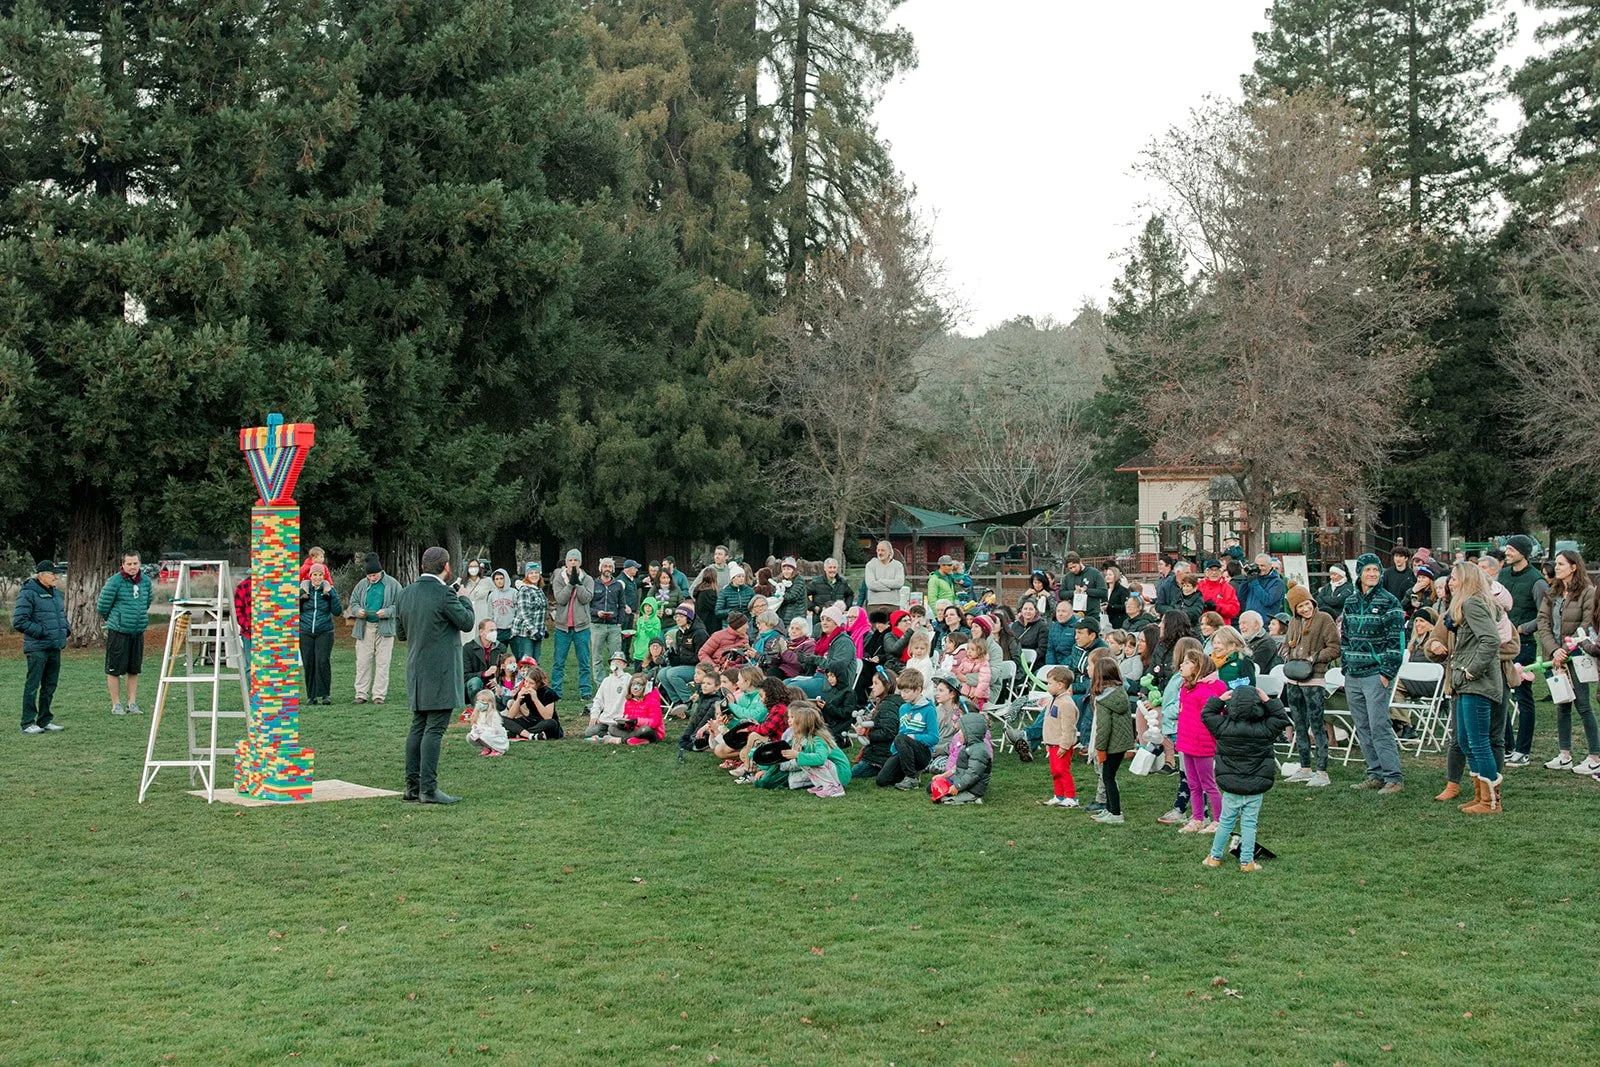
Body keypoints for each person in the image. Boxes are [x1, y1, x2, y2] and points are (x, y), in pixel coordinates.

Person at [395, 547, 476, 803]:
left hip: (416, 669)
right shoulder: (445, 594)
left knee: (418, 727)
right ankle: (428, 789)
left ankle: (412, 786)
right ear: (446, 566)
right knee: (434, 729)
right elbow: (467, 622)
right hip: (440, 671)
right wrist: (464, 598)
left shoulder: (405, 593)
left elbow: (401, 633)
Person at [1436, 562, 1509, 813]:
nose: (1450, 583)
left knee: (1478, 742)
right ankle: (1481, 795)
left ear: (1467, 580)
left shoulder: (1472, 604)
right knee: (1466, 741)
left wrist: (1472, 669)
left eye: (1454, 578)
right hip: (1465, 683)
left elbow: (1490, 640)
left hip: (1477, 682)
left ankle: (1491, 802)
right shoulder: (1463, 605)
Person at [1200, 684, 1291, 871]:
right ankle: (1247, 861)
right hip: (1255, 785)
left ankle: (1214, 857)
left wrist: (1219, 700)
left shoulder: (1223, 726)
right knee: (1249, 824)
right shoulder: (1266, 728)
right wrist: (1269, 701)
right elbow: (1282, 718)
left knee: (1226, 822)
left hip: (1231, 785)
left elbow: (1207, 715)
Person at [1341, 552, 1407, 793]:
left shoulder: (1390, 602)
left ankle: (1393, 777)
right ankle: (1375, 773)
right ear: (1359, 573)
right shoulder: (1350, 602)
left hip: (1376, 674)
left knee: (1379, 725)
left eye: (1376, 570)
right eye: (1367, 570)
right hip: (1353, 674)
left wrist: (1387, 672)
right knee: (1362, 725)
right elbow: (1345, 636)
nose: (1372, 574)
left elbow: (1396, 642)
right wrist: (1346, 664)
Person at [1535, 549, 1600, 775]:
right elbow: (1542, 622)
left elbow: (1587, 623)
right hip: (1555, 658)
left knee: (1583, 705)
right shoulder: (1551, 593)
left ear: (1574, 567)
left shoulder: (1588, 592)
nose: (1557, 567)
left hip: (1577, 656)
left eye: (1561, 564)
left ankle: (1594, 756)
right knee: (1562, 704)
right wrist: (1554, 651)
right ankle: (1564, 755)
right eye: (1557, 564)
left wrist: (1566, 649)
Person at [1280, 585, 1339, 787]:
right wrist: (1287, 655)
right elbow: (1285, 644)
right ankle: (1305, 767)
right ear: (1294, 609)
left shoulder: (1324, 619)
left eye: (1307, 604)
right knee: (1299, 723)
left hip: (1314, 679)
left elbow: (1335, 648)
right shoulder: (1293, 623)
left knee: (1317, 724)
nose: (1305, 609)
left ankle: (1322, 770)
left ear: (1312, 602)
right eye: (1300, 606)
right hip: (1293, 678)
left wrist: (1315, 658)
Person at [15, 560, 70, 734]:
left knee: (50, 685)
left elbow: (60, 615)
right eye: (53, 574)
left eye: (57, 574)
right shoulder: (28, 593)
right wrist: (42, 632)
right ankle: (27, 722)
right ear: (41, 575)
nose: (56, 577)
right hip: (37, 648)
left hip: (55, 646)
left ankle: (45, 720)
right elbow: (20, 621)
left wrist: (65, 629)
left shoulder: (56, 593)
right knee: (33, 686)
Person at [1176, 647, 1227, 832]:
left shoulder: (1206, 693)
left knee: (1208, 784)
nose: (1181, 666)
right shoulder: (1186, 689)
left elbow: (1213, 719)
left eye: (1187, 663)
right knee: (1193, 784)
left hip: (1202, 744)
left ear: (1198, 668)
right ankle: (1198, 818)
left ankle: (1219, 820)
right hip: (1187, 742)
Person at [97, 551, 152, 716]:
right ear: (123, 565)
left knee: (134, 669)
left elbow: (147, 601)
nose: (132, 567)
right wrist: (116, 620)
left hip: (137, 630)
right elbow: (103, 605)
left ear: (139, 563)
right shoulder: (115, 582)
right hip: (119, 631)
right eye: (129, 564)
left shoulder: (146, 581)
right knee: (114, 669)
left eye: (135, 563)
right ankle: (116, 704)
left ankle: (132, 703)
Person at [348, 553, 402, 705]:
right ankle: (361, 694)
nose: (372, 578)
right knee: (363, 662)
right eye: (369, 575)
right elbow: (353, 602)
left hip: (385, 629)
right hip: (364, 628)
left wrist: (387, 612)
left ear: (380, 571)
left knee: (383, 662)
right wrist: (357, 611)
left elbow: (400, 604)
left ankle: (379, 695)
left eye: (374, 575)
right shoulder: (361, 585)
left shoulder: (393, 584)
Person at [875, 669, 940, 789]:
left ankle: (911, 778)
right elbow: (902, 731)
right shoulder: (903, 708)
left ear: (918, 690)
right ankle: (907, 773)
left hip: (922, 753)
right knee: (882, 780)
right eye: (901, 691)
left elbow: (934, 738)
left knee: (901, 738)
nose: (903, 695)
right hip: (903, 750)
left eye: (906, 691)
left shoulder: (929, 709)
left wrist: (914, 737)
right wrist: (895, 751)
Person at [1089, 658, 1133, 825]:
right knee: (1109, 776)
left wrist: (1100, 749)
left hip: (1110, 746)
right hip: (1121, 743)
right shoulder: (1120, 693)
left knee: (1108, 777)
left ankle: (1115, 813)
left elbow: (1103, 728)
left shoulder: (1103, 700)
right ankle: (1109, 809)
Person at [550, 549, 595, 701]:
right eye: (570, 560)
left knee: (584, 661)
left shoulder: (587, 579)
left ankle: (585, 691)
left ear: (580, 562)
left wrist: (578, 584)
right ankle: (556, 691)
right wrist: (570, 584)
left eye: (576, 560)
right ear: (566, 562)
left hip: (581, 627)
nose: (573, 563)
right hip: (562, 627)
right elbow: (560, 599)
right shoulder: (559, 579)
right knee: (558, 662)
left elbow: (586, 598)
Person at [781, 701, 850, 797]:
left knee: (811, 760)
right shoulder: (807, 738)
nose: (791, 724)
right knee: (804, 760)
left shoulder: (819, 739)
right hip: (833, 773)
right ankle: (822, 785)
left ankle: (834, 788)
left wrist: (798, 755)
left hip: (840, 774)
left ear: (804, 725)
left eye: (796, 722)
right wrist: (798, 754)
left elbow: (820, 759)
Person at [298, 562, 341, 706]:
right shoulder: (303, 590)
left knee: (323, 661)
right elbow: (294, 611)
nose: (317, 578)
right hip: (305, 631)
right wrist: (300, 600)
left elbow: (337, 611)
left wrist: (331, 595)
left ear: (324, 576)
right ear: (310, 576)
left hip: (325, 631)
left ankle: (324, 694)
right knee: (309, 663)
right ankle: (311, 696)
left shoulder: (329, 590)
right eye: (315, 575)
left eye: (320, 575)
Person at [853, 666, 904, 781]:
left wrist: (867, 734)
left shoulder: (888, 705)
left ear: (887, 685)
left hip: (881, 756)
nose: (872, 687)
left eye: (876, 683)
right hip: (881, 753)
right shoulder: (888, 702)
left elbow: (888, 732)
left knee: (849, 773)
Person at [1038, 666, 1080, 808]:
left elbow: (1068, 727)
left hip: (1061, 745)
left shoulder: (1066, 703)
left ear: (1060, 685)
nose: (1047, 686)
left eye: (1050, 683)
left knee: (1062, 771)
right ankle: (1059, 795)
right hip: (1052, 743)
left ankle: (1071, 797)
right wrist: (1047, 742)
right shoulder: (1053, 700)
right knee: (1055, 771)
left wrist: (1064, 745)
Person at [933, 710, 993, 805]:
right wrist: (943, 776)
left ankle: (974, 798)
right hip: (962, 783)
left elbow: (973, 774)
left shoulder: (979, 751)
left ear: (971, 732)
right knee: (935, 788)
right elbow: (957, 767)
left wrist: (958, 786)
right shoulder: (968, 747)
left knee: (945, 800)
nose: (959, 733)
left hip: (972, 789)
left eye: (961, 731)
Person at [502, 664, 563, 740]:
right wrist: (518, 699)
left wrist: (535, 699)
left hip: (544, 722)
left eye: (531, 683)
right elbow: (511, 716)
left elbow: (548, 717)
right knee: (501, 719)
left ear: (538, 683)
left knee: (552, 723)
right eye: (526, 681)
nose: (527, 685)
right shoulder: (524, 690)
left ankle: (519, 733)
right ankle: (531, 735)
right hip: (531, 720)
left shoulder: (548, 693)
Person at [588, 557, 628, 667]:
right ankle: (599, 678)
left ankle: (616, 677)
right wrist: (596, 613)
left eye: (610, 567)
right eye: (605, 566)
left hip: (614, 626)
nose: (607, 568)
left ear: (613, 569)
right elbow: (587, 605)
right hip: (597, 625)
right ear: (600, 568)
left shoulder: (618, 585)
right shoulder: (593, 584)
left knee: (616, 657)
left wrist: (620, 622)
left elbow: (622, 605)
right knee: (597, 658)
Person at [605, 673, 664, 744]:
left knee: (645, 730)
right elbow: (627, 718)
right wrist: (623, 724)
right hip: (633, 731)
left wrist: (637, 721)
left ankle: (622, 740)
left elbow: (654, 723)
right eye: (633, 684)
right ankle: (637, 740)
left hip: (650, 731)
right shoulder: (629, 702)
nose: (635, 688)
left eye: (639, 684)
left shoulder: (653, 701)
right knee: (612, 727)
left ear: (646, 687)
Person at [509, 563, 548, 665]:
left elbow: (541, 612)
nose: (534, 575)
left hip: (538, 631)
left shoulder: (539, 590)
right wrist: (533, 630)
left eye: (536, 572)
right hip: (525, 632)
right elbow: (524, 613)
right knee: (526, 662)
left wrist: (544, 629)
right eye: (531, 573)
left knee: (536, 662)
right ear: (527, 575)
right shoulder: (524, 590)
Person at [587, 651, 630, 739]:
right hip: (606, 720)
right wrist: (594, 716)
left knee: (613, 729)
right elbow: (598, 700)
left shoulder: (628, 679)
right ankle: (611, 735)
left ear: (624, 665)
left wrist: (620, 674)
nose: (616, 664)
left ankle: (615, 734)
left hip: (620, 720)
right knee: (590, 731)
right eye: (614, 662)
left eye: (619, 662)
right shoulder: (606, 681)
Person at [463, 618, 507, 703]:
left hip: (493, 684)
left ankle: (497, 707)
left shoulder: (501, 648)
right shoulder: (468, 648)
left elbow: (507, 672)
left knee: (501, 688)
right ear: (481, 632)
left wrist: (497, 679)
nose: (494, 633)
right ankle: (477, 707)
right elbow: (465, 676)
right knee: (475, 682)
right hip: (475, 684)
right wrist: (484, 674)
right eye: (491, 630)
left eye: (495, 630)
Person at [1062, 551, 1109, 624]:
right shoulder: (1067, 577)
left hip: (1092, 614)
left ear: (1080, 562)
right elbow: (1061, 593)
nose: (1073, 570)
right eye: (1070, 568)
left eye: (1074, 566)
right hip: (1074, 615)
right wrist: (1074, 592)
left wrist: (1087, 591)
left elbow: (1103, 592)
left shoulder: (1094, 573)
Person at [456, 557, 494, 645]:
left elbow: (497, 591)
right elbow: (451, 592)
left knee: (482, 641)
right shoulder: (461, 581)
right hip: (467, 614)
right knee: (466, 642)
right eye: (471, 566)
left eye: (475, 566)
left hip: (482, 613)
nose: (473, 568)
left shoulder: (486, 581)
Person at [1240, 554, 1286, 619]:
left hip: (1265, 621)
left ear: (1270, 566)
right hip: (1250, 619)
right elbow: (1241, 596)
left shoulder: (1277, 582)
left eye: (1262, 565)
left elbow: (1268, 601)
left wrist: (1254, 582)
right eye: (1257, 565)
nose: (1260, 568)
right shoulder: (1254, 578)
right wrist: (1246, 577)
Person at [1196, 559, 1241, 625]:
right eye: (1211, 570)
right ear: (1207, 571)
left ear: (1220, 572)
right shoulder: (1199, 586)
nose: (1214, 572)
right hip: (1202, 625)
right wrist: (1201, 606)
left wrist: (1217, 607)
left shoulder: (1228, 588)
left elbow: (1234, 610)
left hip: (1221, 626)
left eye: (1216, 570)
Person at [864, 540, 905, 607]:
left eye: (883, 550)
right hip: (874, 604)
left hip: (893, 604)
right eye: (878, 550)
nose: (880, 553)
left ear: (889, 552)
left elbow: (899, 583)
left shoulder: (898, 565)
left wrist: (881, 581)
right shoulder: (870, 565)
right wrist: (889, 589)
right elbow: (871, 584)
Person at [486, 568, 517, 646]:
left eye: (501, 578)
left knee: (518, 652)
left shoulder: (514, 593)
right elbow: (490, 613)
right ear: (493, 581)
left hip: (512, 629)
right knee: (499, 652)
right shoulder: (492, 595)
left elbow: (518, 611)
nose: (499, 581)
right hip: (498, 629)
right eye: (496, 579)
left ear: (506, 579)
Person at [630, 599, 664, 669]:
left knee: (649, 672)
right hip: (639, 650)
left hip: (649, 652)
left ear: (654, 607)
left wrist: (647, 624)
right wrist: (634, 633)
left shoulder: (656, 620)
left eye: (650, 606)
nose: (647, 608)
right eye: (645, 606)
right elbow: (639, 632)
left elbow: (654, 636)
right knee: (637, 671)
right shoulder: (640, 619)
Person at [234, 573, 253, 664]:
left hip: (269, 631)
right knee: (250, 665)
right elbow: (237, 611)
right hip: (248, 632)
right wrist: (247, 626)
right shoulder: (243, 586)